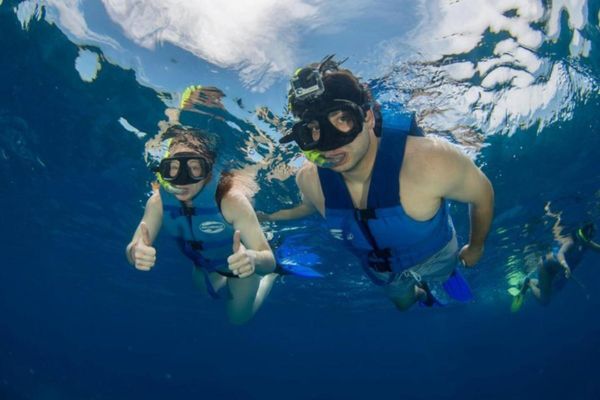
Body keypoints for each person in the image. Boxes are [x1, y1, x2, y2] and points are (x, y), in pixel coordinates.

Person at [261, 55, 495, 310]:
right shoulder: (309, 179)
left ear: (368, 118)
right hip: (383, 272)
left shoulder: (429, 161)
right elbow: (308, 207)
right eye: (314, 128)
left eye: (342, 119)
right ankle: (422, 295)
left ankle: (447, 277)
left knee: (444, 272)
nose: (329, 144)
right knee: (403, 304)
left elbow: (482, 194)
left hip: (437, 254)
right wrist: (269, 217)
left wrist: (475, 247)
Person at [126, 125, 278, 324]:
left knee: (238, 319)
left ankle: (271, 280)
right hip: (203, 265)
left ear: (208, 172)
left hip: (243, 269)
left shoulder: (232, 201)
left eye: (194, 169)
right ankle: (219, 278)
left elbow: (268, 261)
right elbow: (134, 245)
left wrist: (252, 259)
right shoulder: (158, 203)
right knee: (203, 293)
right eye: (172, 169)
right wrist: (135, 253)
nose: (182, 181)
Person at [512, 220, 599, 310]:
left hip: (558, 269)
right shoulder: (571, 242)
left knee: (550, 289)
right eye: (583, 236)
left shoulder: (586, 244)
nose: (583, 240)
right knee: (544, 300)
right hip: (547, 267)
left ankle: (525, 282)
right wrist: (565, 265)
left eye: (587, 238)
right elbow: (560, 254)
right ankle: (529, 283)